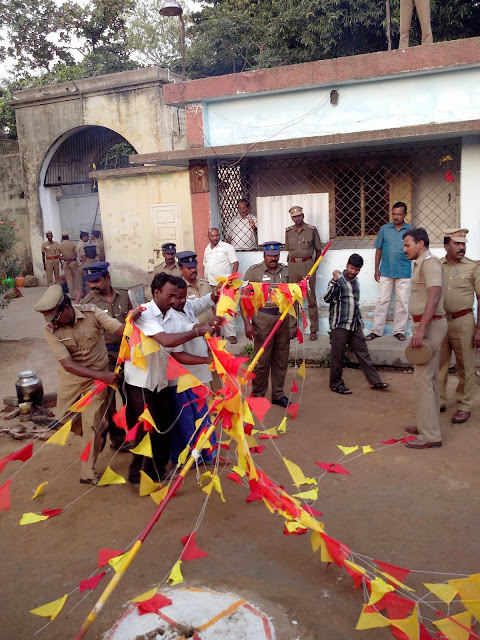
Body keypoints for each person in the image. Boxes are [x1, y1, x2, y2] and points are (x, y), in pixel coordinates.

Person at [34, 285, 130, 485]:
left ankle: (88, 472)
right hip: (73, 378)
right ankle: (103, 427)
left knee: (91, 423)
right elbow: (68, 364)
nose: (53, 322)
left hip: (97, 379)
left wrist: (133, 320)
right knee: (63, 417)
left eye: (56, 317)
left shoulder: (92, 312)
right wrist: (103, 376)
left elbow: (119, 328)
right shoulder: (51, 330)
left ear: (66, 307)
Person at [125, 273, 213, 490]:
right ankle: (137, 476)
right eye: (169, 295)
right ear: (156, 293)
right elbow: (165, 340)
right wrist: (199, 330)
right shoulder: (145, 313)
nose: (174, 300)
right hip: (140, 382)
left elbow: (181, 334)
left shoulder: (171, 315)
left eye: (176, 296)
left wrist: (204, 326)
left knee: (165, 424)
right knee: (144, 428)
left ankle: (159, 469)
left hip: (161, 378)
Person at [163, 278, 220, 465]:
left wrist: (214, 294)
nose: (182, 301)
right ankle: (189, 459)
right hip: (183, 379)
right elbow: (178, 354)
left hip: (198, 375)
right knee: (187, 421)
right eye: (178, 297)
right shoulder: (170, 318)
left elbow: (200, 304)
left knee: (203, 416)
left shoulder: (185, 306)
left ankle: (207, 454)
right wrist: (207, 359)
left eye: (184, 296)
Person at [402, 228, 447, 449]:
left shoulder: (429, 263)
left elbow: (434, 296)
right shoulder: (422, 263)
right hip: (428, 324)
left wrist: (421, 330)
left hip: (428, 326)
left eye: (407, 244)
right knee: (429, 379)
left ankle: (430, 435)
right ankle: (427, 425)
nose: (405, 249)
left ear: (420, 244)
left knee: (422, 380)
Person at [82, 261, 132, 450]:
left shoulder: (124, 295)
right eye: (90, 282)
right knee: (109, 400)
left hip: (128, 351)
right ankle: (118, 439)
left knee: (131, 395)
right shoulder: (87, 304)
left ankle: (135, 435)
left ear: (107, 278)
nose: (93, 285)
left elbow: (131, 321)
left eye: (96, 281)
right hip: (106, 355)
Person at [324, 254, 389, 395]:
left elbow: (355, 303)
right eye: (352, 268)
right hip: (340, 324)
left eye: (357, 269)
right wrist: (334, 281)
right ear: (347, 265)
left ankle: (374, 380)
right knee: (337, 355)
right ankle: (336, 384)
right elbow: (327, 298)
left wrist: (360, 321)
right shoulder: (338, 280)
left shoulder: (356, 282)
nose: (354, 272)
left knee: (363, 352)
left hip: (354, 324)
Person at [439, 228, 480, 425]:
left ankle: (464, 405)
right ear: (446, 245)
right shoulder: (437, 265)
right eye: (456, 243)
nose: (461, 247)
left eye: (463, 243)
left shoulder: (473, 267)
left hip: (464, 321)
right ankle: (439, 400)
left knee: (466, 365)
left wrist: (479, 329)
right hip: (440, 322)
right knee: (439, 364)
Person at [243, 242, 291, 408]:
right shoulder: (254, 271)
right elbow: (244, 298)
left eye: (276, 255)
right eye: (270, 255)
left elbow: (293, 297)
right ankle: (258, 395)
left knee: (281, 359)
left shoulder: (286, 271)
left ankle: (278, 394)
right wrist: (247, 324)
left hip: (282, 319)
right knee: (262, 361)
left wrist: (293, 324)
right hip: (262, 320)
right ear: (264, 255)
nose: (273, 259)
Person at [366, 202, 414, 342]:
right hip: (386, 270)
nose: (396, 217)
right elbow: (379, 249)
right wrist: (376, 269)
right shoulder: (384, 229)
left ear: (405, 214)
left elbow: (415, 250)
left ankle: (399, 331)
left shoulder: (411, 231)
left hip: (403, 271)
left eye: (399, 214)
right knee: (382, 301)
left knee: (402, 302)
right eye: (394, 214)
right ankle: (376, 330)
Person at [284, 205, 322, 341]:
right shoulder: (288, 232)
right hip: (293, 265)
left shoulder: (311, 230)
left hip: (307, 265)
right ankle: (293, 329)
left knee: (311, 298)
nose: (297, 218)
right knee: (293, 299)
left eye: (299, 215)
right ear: (292, 218)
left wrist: (315, 266)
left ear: (303, 216)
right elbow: (288, 249)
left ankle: (313, 330)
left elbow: (318, 250)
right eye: (294, 216)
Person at [203, 227, 239, 344]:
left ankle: (231, 335)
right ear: (208, 237)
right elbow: (205, 265)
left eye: (217, 235)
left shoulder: (227, 247)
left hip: (225, 285)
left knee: (227, 308)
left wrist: (232, 278)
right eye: (212, 236)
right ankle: (218, 333)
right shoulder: (207, 249)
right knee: (214, 310)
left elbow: (235, 262)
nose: (215, 238)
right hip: (211, 284)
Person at [177, 250, 213, 324]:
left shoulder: (205, 284)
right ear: (181, 269)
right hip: (195, 332)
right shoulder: (179, 289)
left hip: (212, 330)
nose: (193, 270)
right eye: (189, 268)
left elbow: (213, 308)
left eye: (194, 267)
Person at [57, 232, 78, 297]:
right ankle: (77, 293)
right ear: (68, 237)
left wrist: (66, 259)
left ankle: (72, 295)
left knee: (69, 280)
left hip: (65, 263)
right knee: (76, 278)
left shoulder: (59, 246)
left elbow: (58, 256)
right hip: (73, 262)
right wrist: (70, 259)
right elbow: (76, 254)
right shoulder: (73, 244)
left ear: (62, 238)